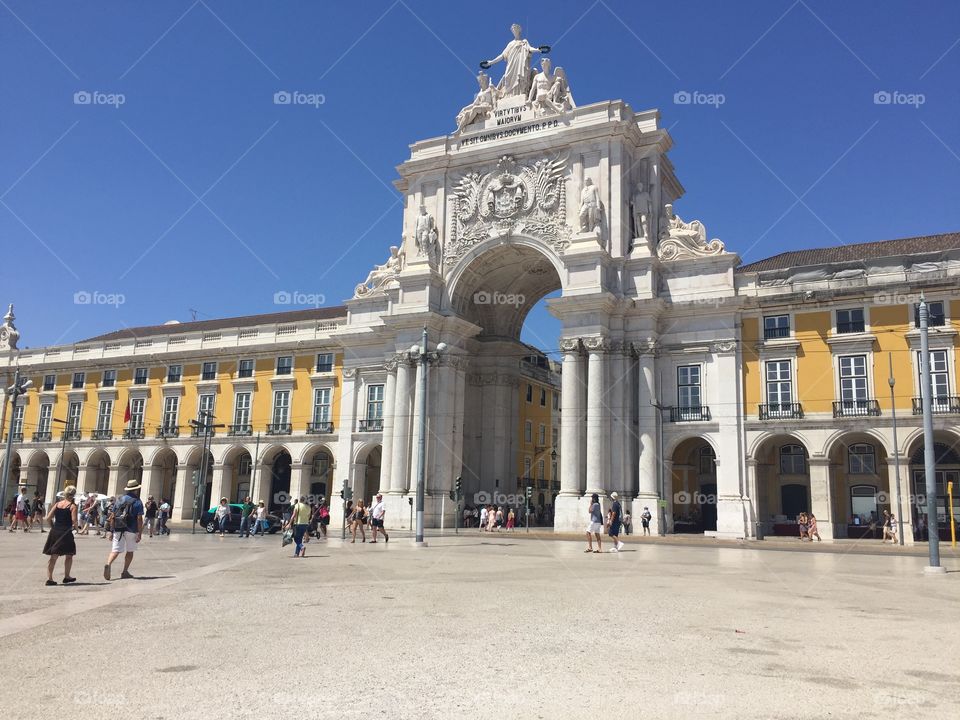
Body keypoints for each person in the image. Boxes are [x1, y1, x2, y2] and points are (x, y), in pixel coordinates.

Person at [103, 479, 144, 581]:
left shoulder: (120, 499)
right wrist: (139, 532)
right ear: (136, 490)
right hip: (131, 529)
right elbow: (139, 518)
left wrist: (111, 531)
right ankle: (125, 571)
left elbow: (112, 515)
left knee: (115, 550)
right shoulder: (138, 501)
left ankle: (108, 564)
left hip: (118, 527)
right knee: (130, 551)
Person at [43, 485, 79, 585]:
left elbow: (48, 518)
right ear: (73, 495)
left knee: (53, 556)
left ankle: (50, 578)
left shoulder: (57, 504)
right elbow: (74, 521)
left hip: (55, 531)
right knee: (69, 555)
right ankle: (67, 576)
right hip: (66, 532)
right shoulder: (72, 506)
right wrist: (77, 529)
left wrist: (53, 527)